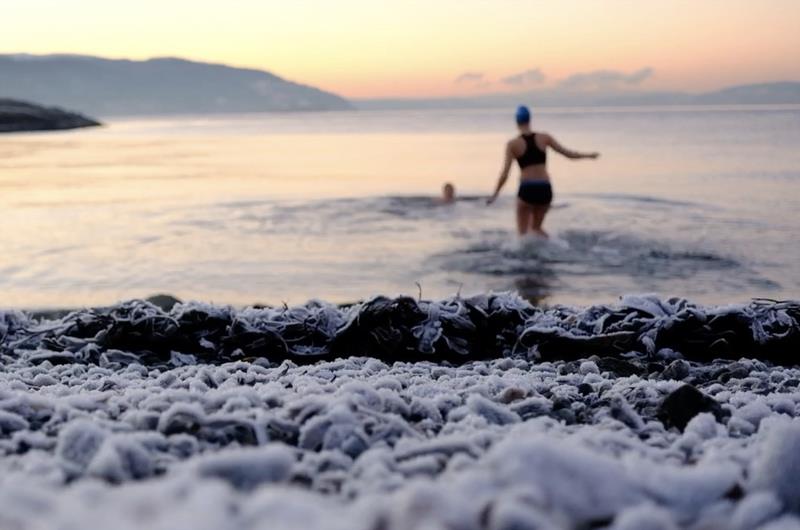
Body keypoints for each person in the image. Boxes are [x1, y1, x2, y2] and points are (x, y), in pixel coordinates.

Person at [487, 105, 599, 237]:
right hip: (545, 189)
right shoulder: (544, 138)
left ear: (516, 122)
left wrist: (495, 194)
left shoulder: (512, 144)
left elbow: (505, 174)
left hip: (527, 189)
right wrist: (589, 155)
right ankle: (553, 247)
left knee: (522, 234)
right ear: (530, 120)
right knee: (536, 228)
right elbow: (568, 154)